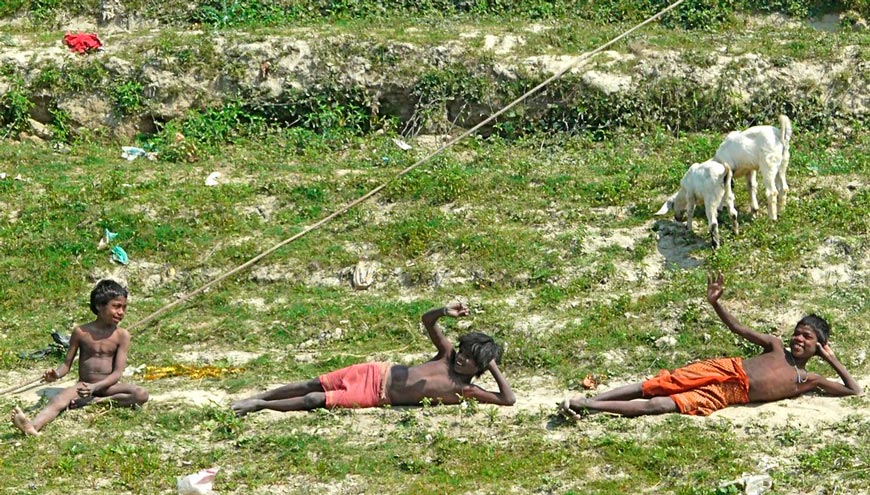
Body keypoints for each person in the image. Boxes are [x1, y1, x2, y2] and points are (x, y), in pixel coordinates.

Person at [562, 272, 862, 418]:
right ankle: (592, 398)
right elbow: (737, 328)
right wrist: (716, 303)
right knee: (660, 384)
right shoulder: (774, 346)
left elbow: (853, 390)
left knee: (661, 405)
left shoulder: (810, 380)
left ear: (819, 345)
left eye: (807, 338)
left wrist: (831, 360)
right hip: (726, 368)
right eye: (798, 333)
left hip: (731, 392)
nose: (799, 339)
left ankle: (592, 406)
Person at [232, 302, 515, 416]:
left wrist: (491, 363)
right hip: (374, 372)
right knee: (313, 383)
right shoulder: (446, 355)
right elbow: (427, 321)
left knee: (315, 400)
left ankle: (261, 406)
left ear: (478, 369)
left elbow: (507, 399)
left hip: (377, 395)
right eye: (463, 353)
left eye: (469, 361)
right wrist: (443, 310)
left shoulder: (466, 390)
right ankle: (263, 395)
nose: (462, 360)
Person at [11, 280, 149, 436]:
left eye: (124, 307)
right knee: (57, 400)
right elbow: (66, 365)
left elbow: (117, 373)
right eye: (116, 306)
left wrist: (95, 388)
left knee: (141, 394)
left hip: (108, 387)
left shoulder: (122, 336)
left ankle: (96, 401)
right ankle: (32, 427)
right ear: (99, 306)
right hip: (83, 386)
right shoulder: (81, 332)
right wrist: (56, 374)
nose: (121, 312)